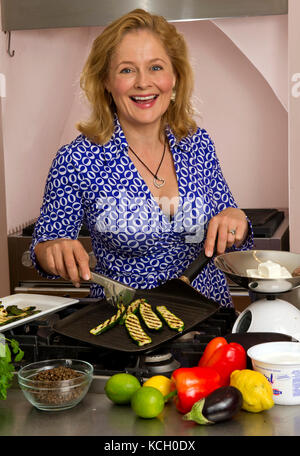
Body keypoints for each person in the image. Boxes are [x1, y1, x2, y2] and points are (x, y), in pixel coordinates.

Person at [30, 9, 253, 307]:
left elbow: (231, 224)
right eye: (126, 70)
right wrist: (53, 250)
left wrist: (237, 220)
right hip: (125, 331)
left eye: (156, 67)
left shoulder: (197, 143)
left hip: (208, 324)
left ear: (174, 76)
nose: (143, 82)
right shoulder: (77, 159)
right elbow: (43, 249)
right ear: (106, 82)